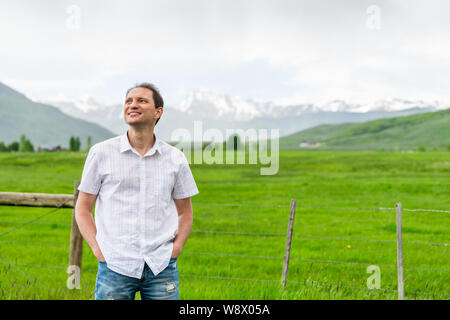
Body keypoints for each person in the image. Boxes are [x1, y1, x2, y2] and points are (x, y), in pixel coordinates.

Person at [75, 82, 199, 300]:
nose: (133, 105)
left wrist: (175, 249)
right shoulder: (101, 153)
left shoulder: (175, 158)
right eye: (129, 101)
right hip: (115, 266)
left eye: (142, 100)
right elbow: (83, 208)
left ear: (158, 112)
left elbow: (185, 212)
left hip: (161, 266)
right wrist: (99, 250)